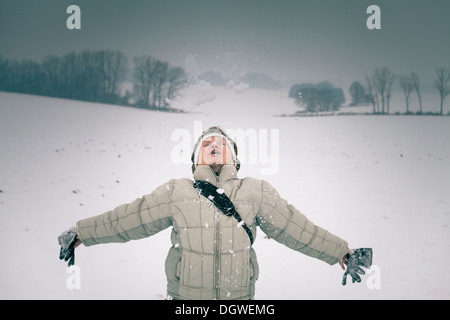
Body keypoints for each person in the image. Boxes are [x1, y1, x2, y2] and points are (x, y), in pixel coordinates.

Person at [58, 126, 368, 300]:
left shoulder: (255, 191)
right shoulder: (177, 191)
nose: (215, 145)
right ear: (195, 161)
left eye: (222, 144)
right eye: (207, 144)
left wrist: (340, 251)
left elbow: (298, 229)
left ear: (235, 157)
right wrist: (83, 232)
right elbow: (129, 218)